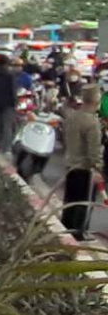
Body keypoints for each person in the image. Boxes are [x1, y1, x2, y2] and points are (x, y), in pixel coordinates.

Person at [62, 83, 102, 240]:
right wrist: (97, 168)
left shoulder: (72, 117)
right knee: (84, 203)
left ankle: (65, 229)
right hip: (85, 169)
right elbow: (94, 150)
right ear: (95, 102)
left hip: (71, 164)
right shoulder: (92, 123)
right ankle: (78, 233)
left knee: (70, 201)